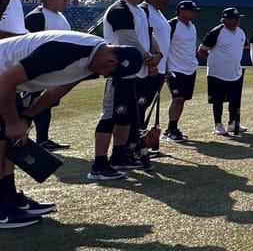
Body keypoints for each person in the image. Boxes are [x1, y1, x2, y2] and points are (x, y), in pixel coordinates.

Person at [0, 31, 145, 222]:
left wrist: (26, 118)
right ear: (111, 59)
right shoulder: (66, 50)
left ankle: (8, 197)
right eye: (110, 72)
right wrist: (12, 123)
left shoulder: (94, 58)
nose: (104, 75)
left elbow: (55, 91)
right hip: (3, 80)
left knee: (10, 140)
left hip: (8, 83)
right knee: (3, 137)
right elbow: (4, 81)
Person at [95, 0, 161, 176]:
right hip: (120, 70)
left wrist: (157, 53)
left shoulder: (141, 11)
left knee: (126, 116)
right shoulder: (119, 8)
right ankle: (99, 164)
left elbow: (148, 34)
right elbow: (127, 38)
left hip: (136, 71)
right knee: (110, 116)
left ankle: (119, 155)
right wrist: (147, 57)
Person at [22, 0, 73, 150]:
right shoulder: (37, 16)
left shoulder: (59, 15)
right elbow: (30, 45)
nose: (66, 0)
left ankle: (42, 139)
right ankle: (21, 137)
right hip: (38, 69)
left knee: (46, 103)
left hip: (53, 69)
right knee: (32, 103)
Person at [199, 7, 247, 136]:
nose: (237, 20)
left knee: (235, 100)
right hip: (217, 73)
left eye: (238, 18)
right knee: (218, 100)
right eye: (234, 18)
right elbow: (202, 50)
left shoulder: (241, 32)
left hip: (235, 73)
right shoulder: (216, 32)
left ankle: (232, 123)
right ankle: (218, 124)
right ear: (225, 20)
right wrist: (215, 61)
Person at [139, 0, 176, 142]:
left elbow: (163, 43)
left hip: (159, 68)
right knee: (139, 107)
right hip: (146, 68)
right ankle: (133, 144)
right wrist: (149, 62)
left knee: (144, 107)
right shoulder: (143, 10)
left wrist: (165, 67)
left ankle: (140, 142)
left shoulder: (158, 12)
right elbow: (140, 38)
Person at [164, 0, 202, 142]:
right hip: (175, 68)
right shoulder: (171, 25)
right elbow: (163, 46)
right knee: (177, 98)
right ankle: (172, 129)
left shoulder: (192, 26)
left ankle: (171, 128)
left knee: (182, 100)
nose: (194, 13)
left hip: (190, 68)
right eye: (191, 10)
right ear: (181, 11)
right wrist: (166, 68)